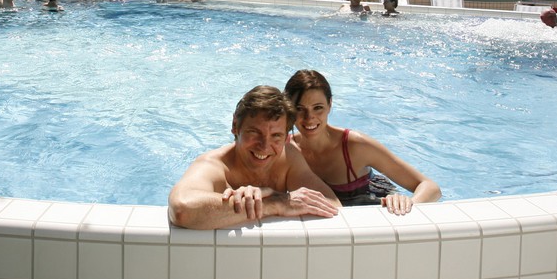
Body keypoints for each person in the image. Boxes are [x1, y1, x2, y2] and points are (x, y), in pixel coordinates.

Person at [168, 85, 341, 229]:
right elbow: (182, 210)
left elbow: (334, 206)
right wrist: (274, 203)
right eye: (254, 132)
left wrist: (270, 196)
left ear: (287, 138)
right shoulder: (214, 165)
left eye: (276, 136)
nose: (264, 146)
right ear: (235, 126)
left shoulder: (288, 158)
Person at [284, 69, 441, 214]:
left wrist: (407, 204)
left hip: (372, 203)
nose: (309, 118)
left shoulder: (355, 146)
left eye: (318, 107)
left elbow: (431, 187)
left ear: (330, 104)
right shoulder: (284, 149)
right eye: (300, 109)